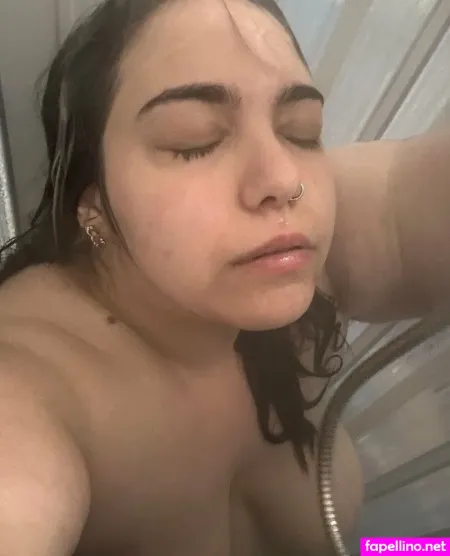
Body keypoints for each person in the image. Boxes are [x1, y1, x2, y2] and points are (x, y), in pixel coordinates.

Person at [0, 0, 448, 554]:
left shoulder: (304, 240)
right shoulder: (30, 386)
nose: (282, 179)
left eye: (301, 131)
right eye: (195, 143)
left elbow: (407, 192)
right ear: (92, 205)